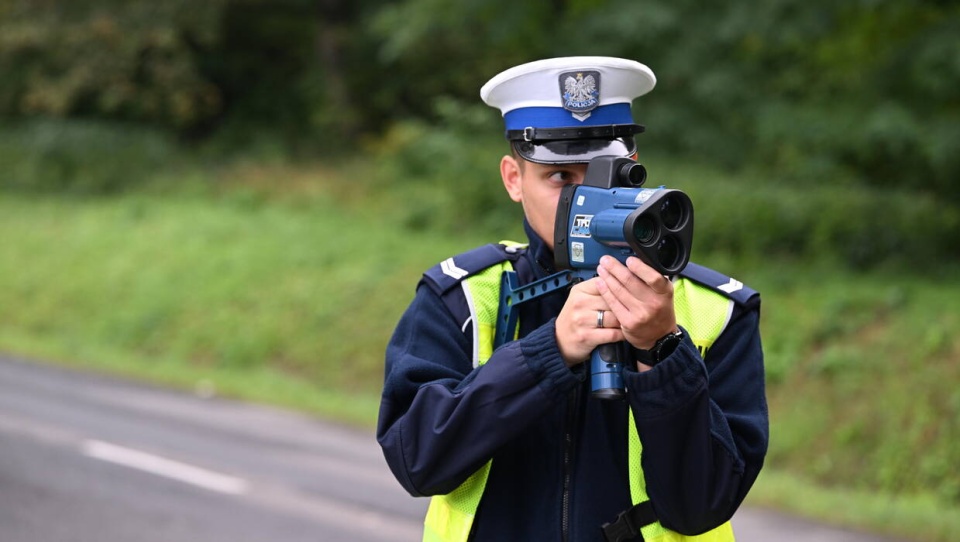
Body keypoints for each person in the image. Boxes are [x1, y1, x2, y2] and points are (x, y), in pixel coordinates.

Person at [377, 56, 768, 542]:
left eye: (608, 175)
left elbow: (700, 507)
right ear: (514, 179)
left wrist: (661, 352)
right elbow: (417, 462)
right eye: (561, 178)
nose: (587, 200)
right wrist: (548, 352)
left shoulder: (716, 311)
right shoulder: (461, 300)